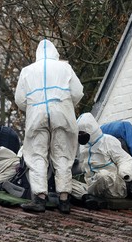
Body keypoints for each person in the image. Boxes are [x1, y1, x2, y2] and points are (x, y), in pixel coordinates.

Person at [15, 39, 83, 213]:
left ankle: (39, 199)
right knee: (63, 154)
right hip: (61, 112)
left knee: (37, 154)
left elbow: (20, 100)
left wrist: (32, 107)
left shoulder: (27, 71)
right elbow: (77, 92)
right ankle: (64, 199)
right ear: (55, 53)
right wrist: (66, 105)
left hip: (36, 114)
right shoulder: (64, 68)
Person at [72, 113, 132, 209]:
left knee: (102, 175)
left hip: (114, 186)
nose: (80, 136)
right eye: (78, 133)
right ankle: (87, 197)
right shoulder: (83, 147)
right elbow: (83, 167)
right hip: (93, 186)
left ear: (91, 130)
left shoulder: (108, 141)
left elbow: (124, 159)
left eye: (82, 133)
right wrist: (69, 170)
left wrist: (125, 173)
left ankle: (88, 196)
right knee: (65, 181)